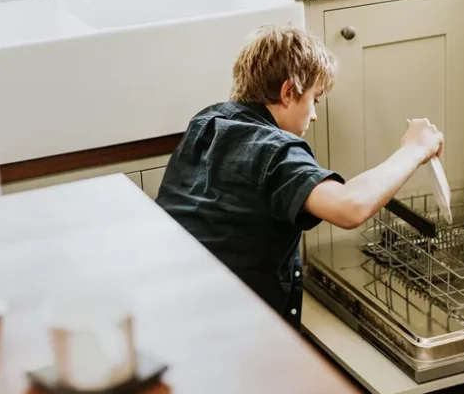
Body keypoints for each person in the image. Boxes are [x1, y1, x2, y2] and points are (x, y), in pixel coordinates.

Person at [156, 25, 443, 329]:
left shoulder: (207, 121)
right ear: (288, 91)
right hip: (229, 327)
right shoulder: (273, 150)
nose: (315, 115)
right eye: (315, 99)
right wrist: (415, 148)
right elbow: (349, 206)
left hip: (175, 305)